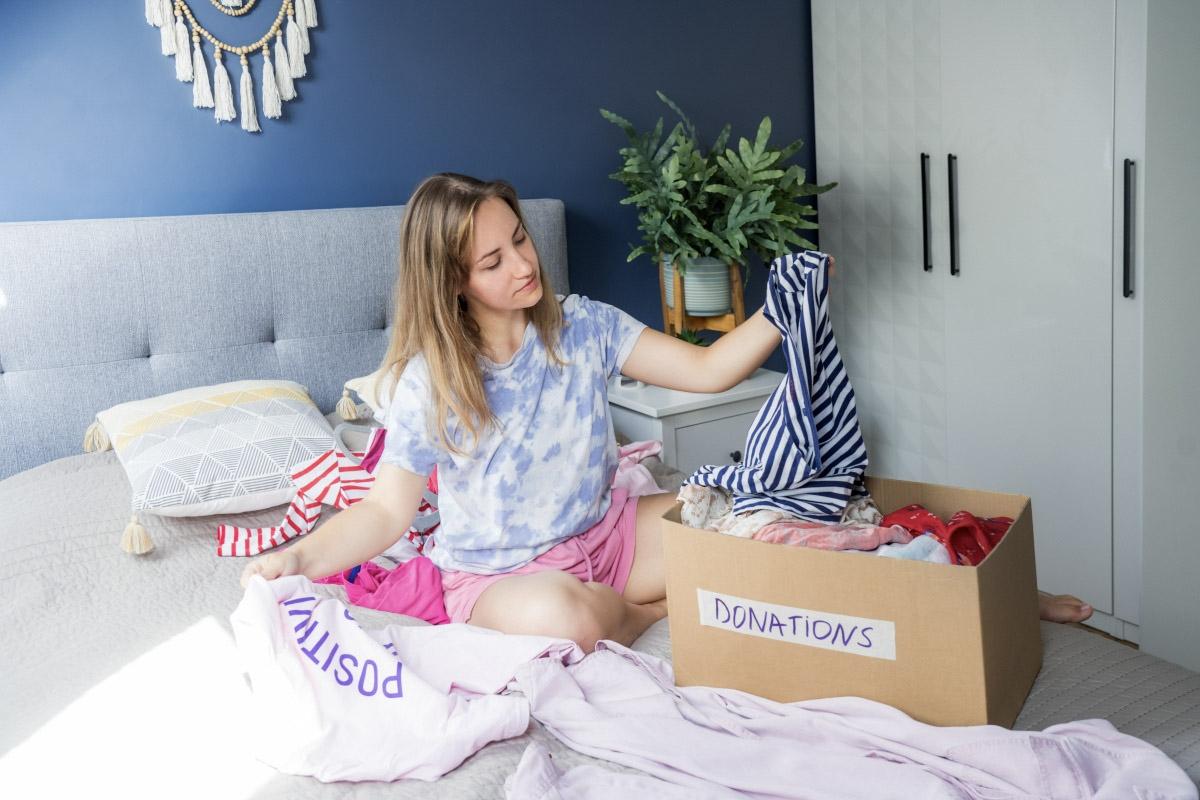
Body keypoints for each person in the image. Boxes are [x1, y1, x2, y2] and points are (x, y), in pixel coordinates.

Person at [241, 172, 1091, 650]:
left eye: (521, 241)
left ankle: (995, 592)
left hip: (608, 537)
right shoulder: (431, 381)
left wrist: (784, 305)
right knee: (561, 623)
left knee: (772, 525)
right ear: (453, 281)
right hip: (500, 579)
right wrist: (300, 558)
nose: (520, 265)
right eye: (492, 261)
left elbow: (711, 369)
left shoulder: (583, 327)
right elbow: (388, 512)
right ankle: (654, 616)